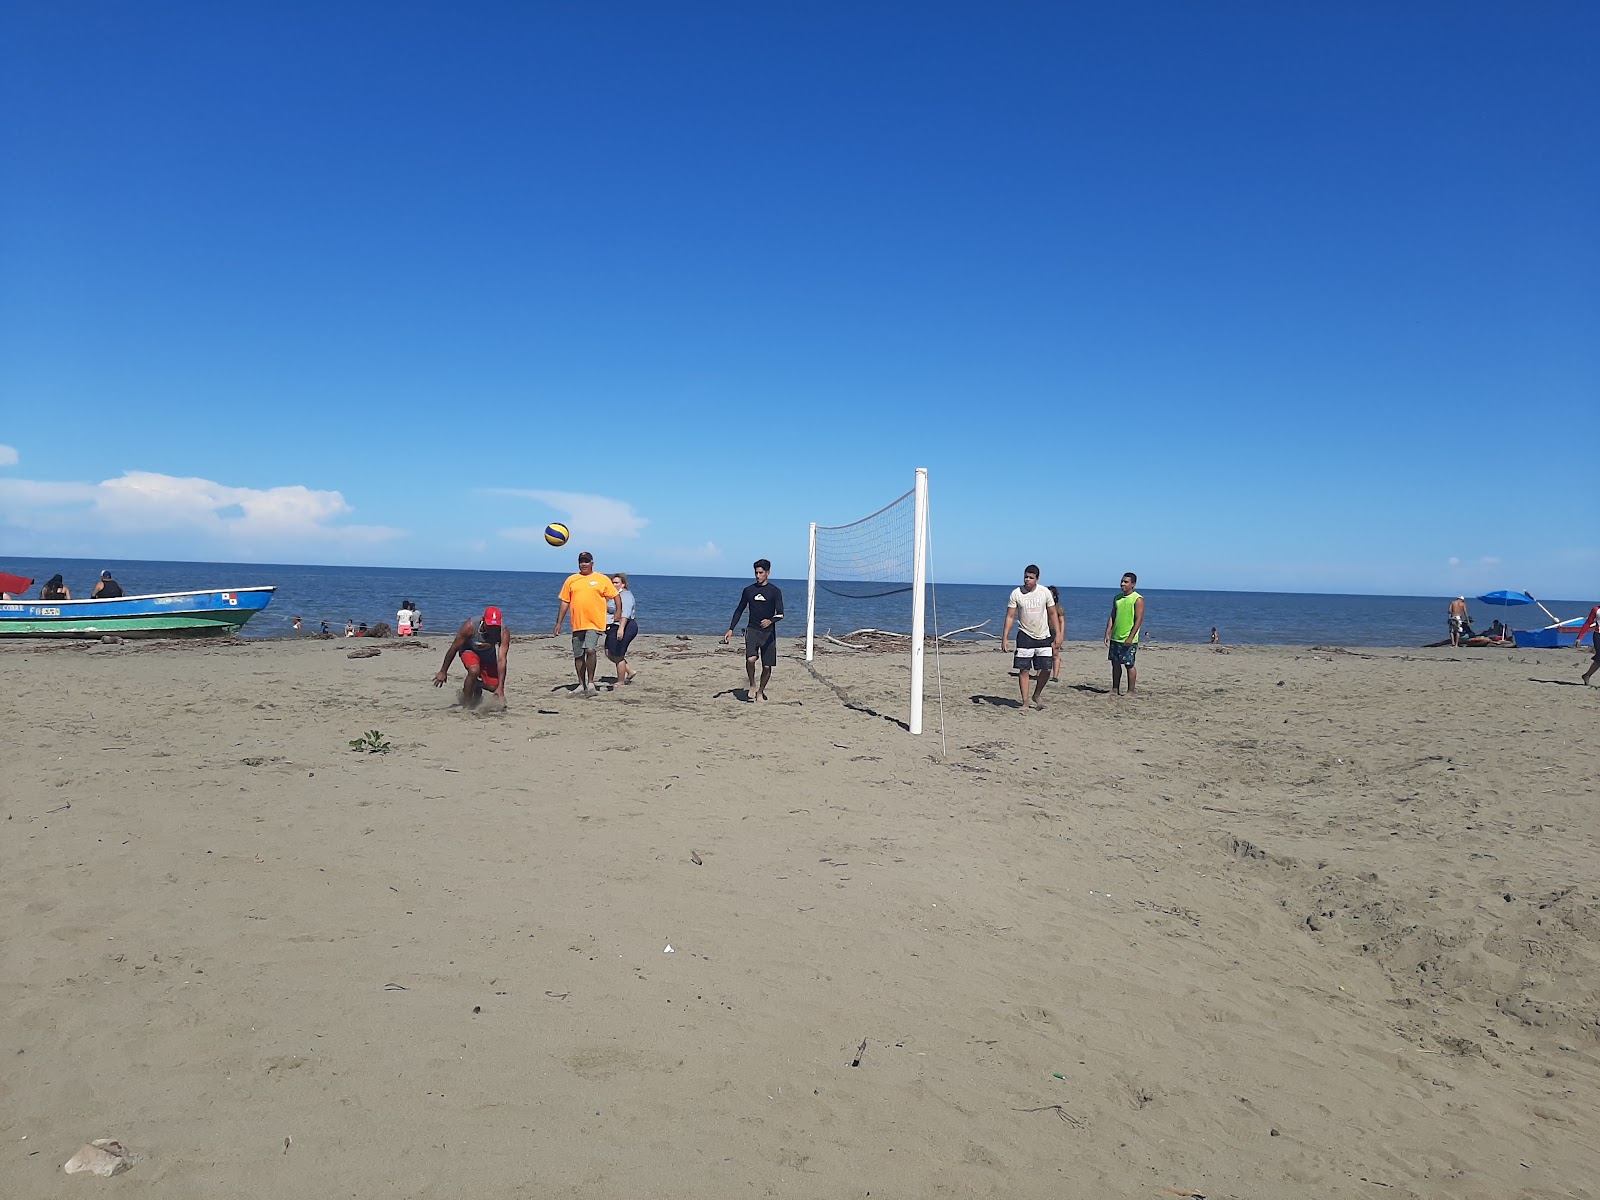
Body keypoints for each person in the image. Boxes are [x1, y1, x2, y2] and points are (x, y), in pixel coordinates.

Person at [556, 551, 619, 696]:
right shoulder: (571, 580)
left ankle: (591, 683)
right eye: (581, 561)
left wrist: (617, 613)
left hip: (595, 623)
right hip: (578, 624)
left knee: (590, 649)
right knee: (578, 655)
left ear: (592, 563)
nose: (583, 564)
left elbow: (615, 596)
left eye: (586, 561)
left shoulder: (601, 579)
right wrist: (559, 622)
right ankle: (581, 684)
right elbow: (565, 602)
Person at [721, 559, 784, 701]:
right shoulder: (748, 590)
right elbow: (739, 610)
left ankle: (761, 691)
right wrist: (731, 629)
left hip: (768, 633)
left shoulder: (775, 591)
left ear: (768, 573)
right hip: (752, 630)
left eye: (761, 573)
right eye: (756, 573)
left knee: (767, 667)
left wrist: (771, 621)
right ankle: (752, 685)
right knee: (751, 659)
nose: (758, 576)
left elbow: (781, 614)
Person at [1001, 565, 1062, 710]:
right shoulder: (1016, 593)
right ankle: (1025, 702)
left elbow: (1053, 614)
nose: (1027, 580)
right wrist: (1005, 637)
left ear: (1037, 579)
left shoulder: (1044, 592)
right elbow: (1010, 616)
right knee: (1024, 670)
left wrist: (1058, 634)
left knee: (1046, 669)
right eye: (1026, 577)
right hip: (1024, 636)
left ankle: (1037, 694)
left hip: (1043, 635)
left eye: (1031, 578)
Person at [434, 607, 511, 709]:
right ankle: (467, 705)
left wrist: (501, 688)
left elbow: (502, 659)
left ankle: (476, 684)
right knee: (474, 670)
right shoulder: (470, 626)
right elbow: (454, 648)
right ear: (483, 621)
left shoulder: (503, 632)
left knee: (494, 686)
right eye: (490, 626)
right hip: (469, 650)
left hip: (488, 655)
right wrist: (443, 671)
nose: (493, 629)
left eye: (495, 626)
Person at [1103, 572, 1145, 697]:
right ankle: (1115, 689)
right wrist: (1108, 632)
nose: (1122, 584)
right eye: (1122, 581)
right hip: (1116, 637)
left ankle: (1130, 691)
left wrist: (1131, 637)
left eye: (1126, 582)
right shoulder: (1117, 598)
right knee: (1115, 663)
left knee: (1129, 664)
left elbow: (1139, 619)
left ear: (1133, 584)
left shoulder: (1138, 599)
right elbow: (1113, 615)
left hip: (1129, 638)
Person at [605, 572, 639, 686]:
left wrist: (621, 629)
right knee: (608, 652)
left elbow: (626, 613)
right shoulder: (613, 595)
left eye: (616, 583)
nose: (613, 584)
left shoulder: (626, 595)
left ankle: (620, 681)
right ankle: (630, 671)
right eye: (612, 582)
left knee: (618, 654)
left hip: (625, 625)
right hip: (613, 626)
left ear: (623, 584)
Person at [1574, 604, 1599, 685]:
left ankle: (1587, 675)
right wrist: (1579, 637)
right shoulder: (1596, 609)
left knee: (1599, 660)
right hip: (1598, 635)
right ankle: (1587, 675)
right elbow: (1588, 623)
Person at [1047, 584, 1065, 681]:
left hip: (1054, 631)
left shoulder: (1058, 608)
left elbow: (1062, 622)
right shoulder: (1043, 607)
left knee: (1055, 653)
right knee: (1042, 654)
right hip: (1044, 631)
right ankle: (1040, 674)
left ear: (1054, 596)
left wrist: (1061, 635)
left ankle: (1055, 676)